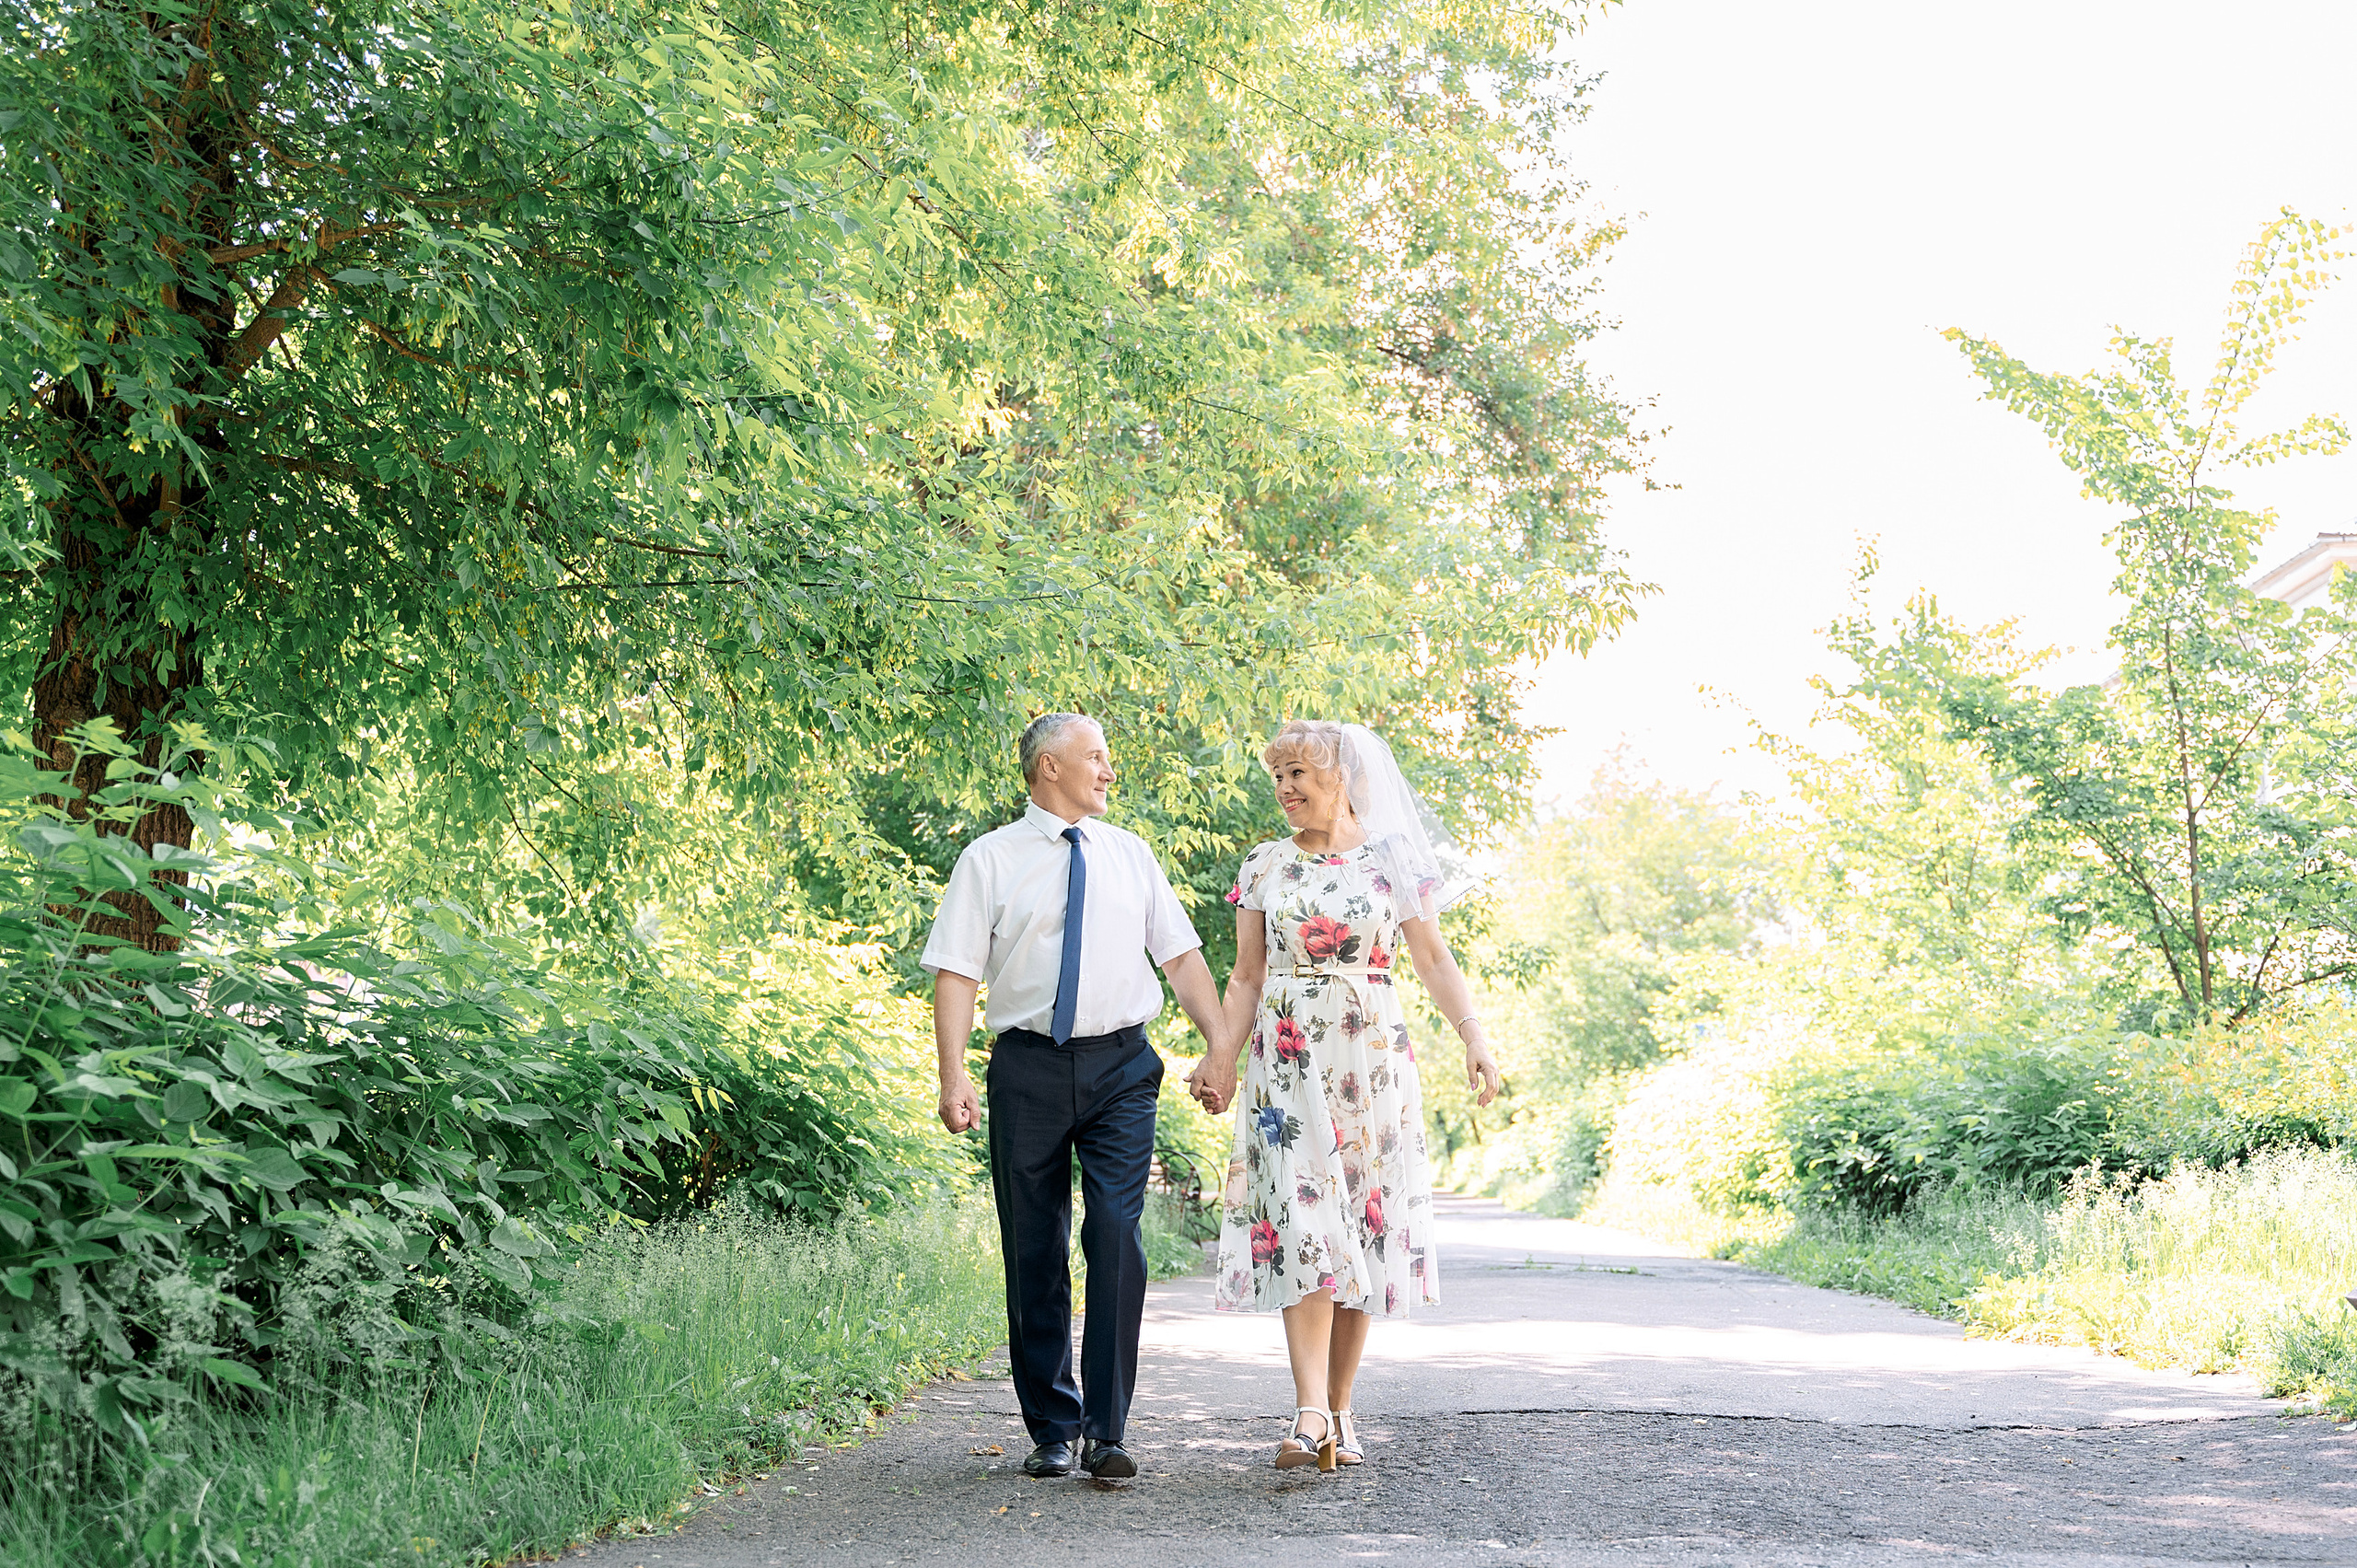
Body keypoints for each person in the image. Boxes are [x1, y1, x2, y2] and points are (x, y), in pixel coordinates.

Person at [1185, 719, 1501, 1471]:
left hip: (1371, 1063)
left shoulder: (1392, 863)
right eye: (1280, 776)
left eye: (1300, 773)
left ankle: (1342, 1407)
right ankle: (1308, 1412)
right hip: (1287, 1062)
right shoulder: (1264, 865)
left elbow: (1431, 956)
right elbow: (1246, 977)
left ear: (1344, 777)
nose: (1287, 789)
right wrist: (1220, 1056)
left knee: (1362, 1227)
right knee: (1301, 1224)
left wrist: (1475, 1035)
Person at [923, 712, 1226, 1481]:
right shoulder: (988, 859)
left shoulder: (1131, 855)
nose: (1109, 769)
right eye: (1096, 755)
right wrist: (952, 1072)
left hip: (1122, 1065)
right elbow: (957, 970)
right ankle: (1052, 1425)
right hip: (1026, 1065)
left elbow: (1183, 959)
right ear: (1048, 765)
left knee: (1116, 1233)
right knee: (1034, 1244)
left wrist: (1220, 1045)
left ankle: (1109, 1427)